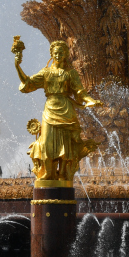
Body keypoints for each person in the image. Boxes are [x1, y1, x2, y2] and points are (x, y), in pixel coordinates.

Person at [14, 40, 102, 181]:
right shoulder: (46, 72)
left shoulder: (71, 73)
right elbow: (28, 82)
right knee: (46, 141)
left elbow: (80, 91)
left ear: (65, 54)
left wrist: (90, 100)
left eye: (61, 53)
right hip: (50, 109)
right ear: (51, 54)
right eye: (55, 53)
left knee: (66, 142)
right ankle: (48, 172)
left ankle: (63, 173)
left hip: (66, 109)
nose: (58, 55)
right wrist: (17, 66)